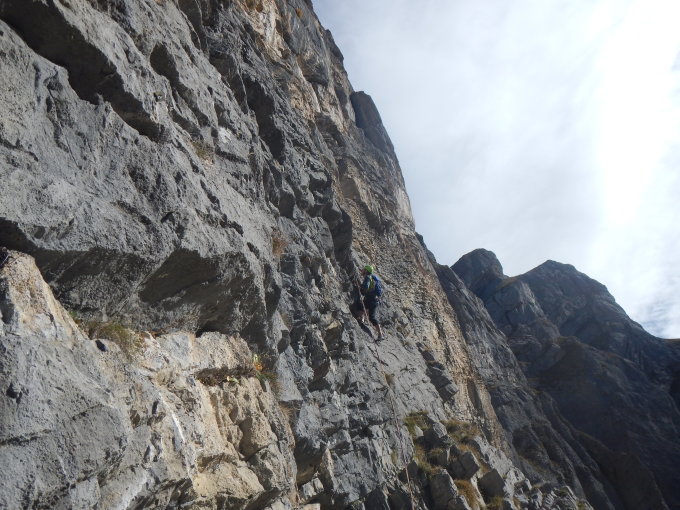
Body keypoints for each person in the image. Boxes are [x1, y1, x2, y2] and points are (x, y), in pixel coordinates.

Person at [356, 264, 383, 339]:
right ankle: (380, 334)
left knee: (359, 306)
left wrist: (359, 285)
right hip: (375, 300)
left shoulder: (368, 277)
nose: (362, 270)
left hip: (370, 299)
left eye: (363, 269)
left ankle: (362, 319)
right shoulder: (373, 278)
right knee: (372, 317)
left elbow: (365, 287)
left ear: (366, 271)